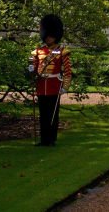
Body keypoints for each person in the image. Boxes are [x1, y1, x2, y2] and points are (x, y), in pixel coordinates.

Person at [29, 14, 72, 146]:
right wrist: (30, 70)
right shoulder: (38, 51)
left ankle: (51, 139)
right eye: (47, 35)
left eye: (51, 35)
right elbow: (34, 69)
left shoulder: (62, 51)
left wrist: (65, 87)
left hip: (54, 86)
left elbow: (68, 71)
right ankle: (43, 139)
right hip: (42, 86)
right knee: (43, 115)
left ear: (55, 35)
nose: (48, 38)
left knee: (53, 114)